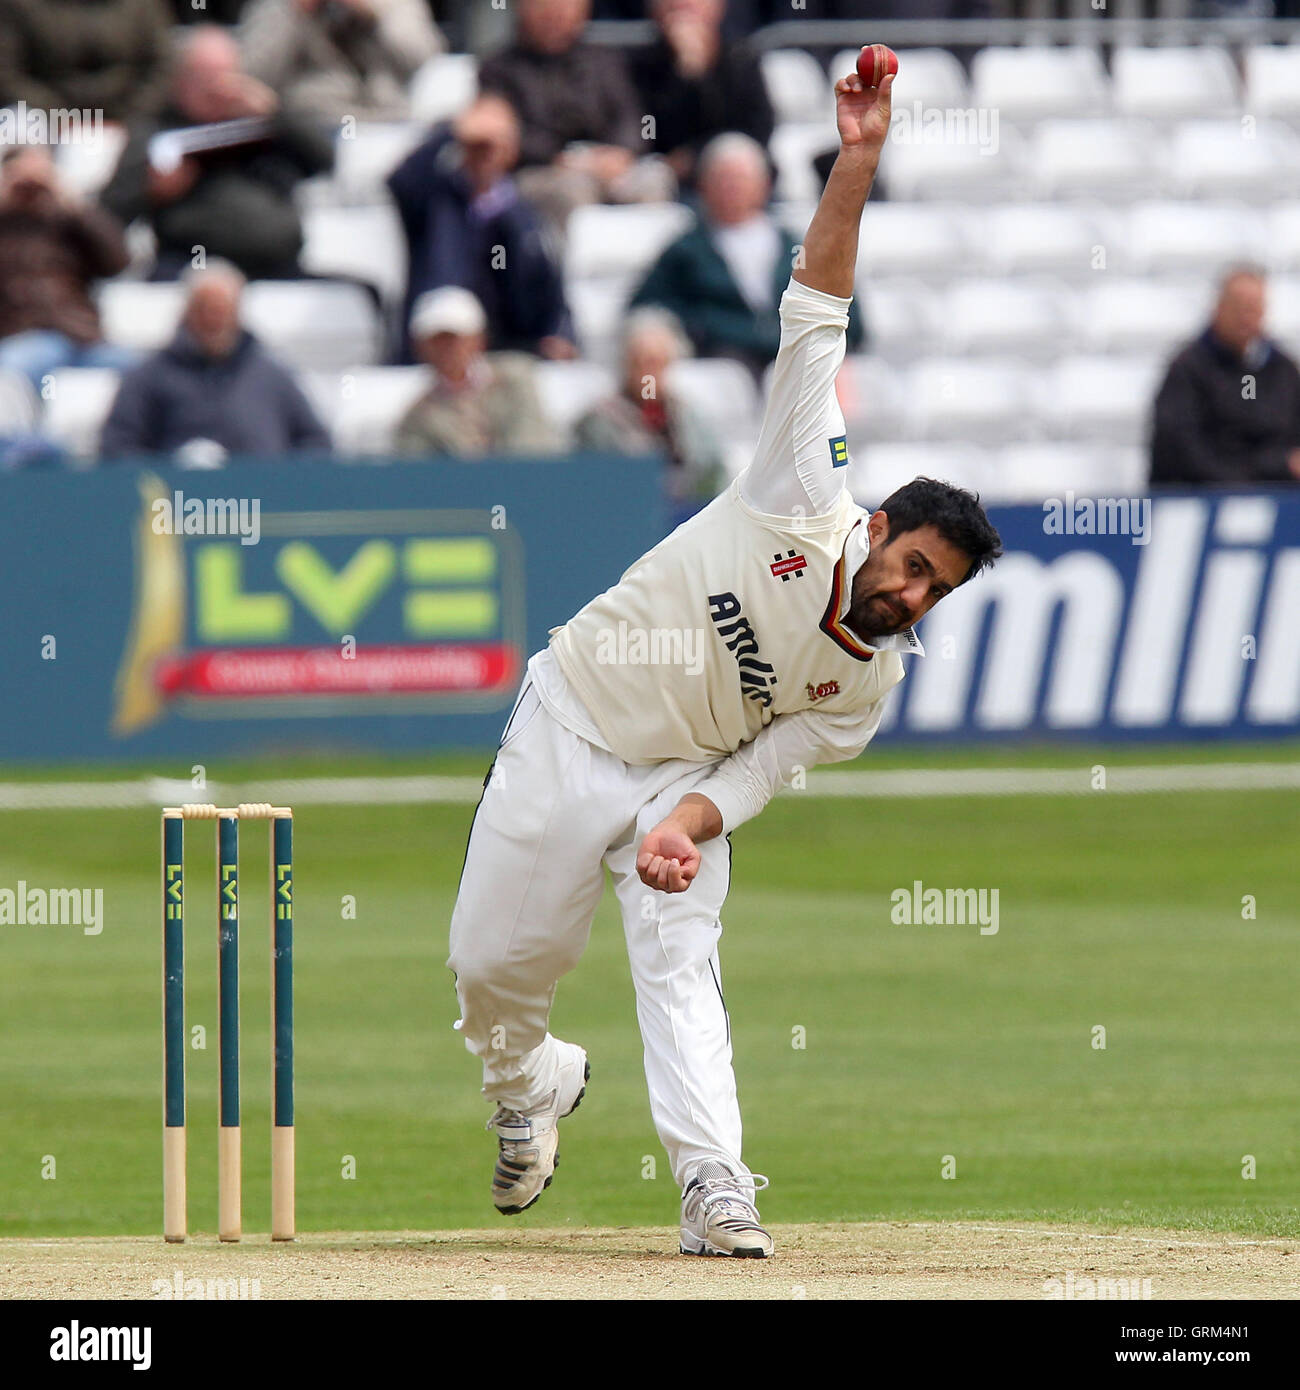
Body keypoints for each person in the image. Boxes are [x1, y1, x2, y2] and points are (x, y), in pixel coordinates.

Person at [446, 60, 1001, 1258]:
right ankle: (532, 1082)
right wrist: (856, 163)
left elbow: (758, 773)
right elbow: (816, 305)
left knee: (680, 963)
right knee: (490, 973)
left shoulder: (867, 684)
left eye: (932, 592)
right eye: (911, 563)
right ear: (883, 524)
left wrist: (684, 822)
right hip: (573, 714)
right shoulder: (805, 487)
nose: (909, 595)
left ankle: (718, 1190)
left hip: (674, 778)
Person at [101, 25, 334, 280]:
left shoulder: (266, 123)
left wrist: (276, 114)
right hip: (191, 271)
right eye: (206, 79)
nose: (220, 89)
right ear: (180, 82)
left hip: (275, 265)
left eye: (228, 77)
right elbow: (109, 216)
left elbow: (326, 162)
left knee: (357, 294)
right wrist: (151, 192)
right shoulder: (154, 133)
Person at [632, 132, 864, 377]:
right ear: (703, 185)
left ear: (763, 184)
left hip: (795, 359)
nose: (731, 188)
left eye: (740, 179)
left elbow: (844, 309)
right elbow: (650, 306)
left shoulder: (795, 246)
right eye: (722, 179)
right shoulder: (685, 251)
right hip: (723, 360)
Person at [387, 94, 575, 363]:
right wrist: (453, 130)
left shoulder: (527, 215)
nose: (483, 157)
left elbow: (550, 283)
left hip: (510, 348)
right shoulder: (434, 201)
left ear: (511, 151)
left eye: (492, 146)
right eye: (475, 147)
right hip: (440, 345)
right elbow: (400, 180)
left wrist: (561, 333)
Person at [478, 0, 674, 238]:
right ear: (522, 10)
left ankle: (652, 269)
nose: (556, 16)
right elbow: (506, 135)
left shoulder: (604, 61)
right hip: (540, 170)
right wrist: (564, 159)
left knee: (653, 180)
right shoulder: (497, 70)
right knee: (572, 190)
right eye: (546, 9)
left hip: (606, 163)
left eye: (566, 8)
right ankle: (568, 271)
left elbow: (631, 117)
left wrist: (621, 152)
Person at [100, 260, 330, 460]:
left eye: (223, 311)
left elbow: (317, 443)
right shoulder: (149, 377)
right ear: (188, 312)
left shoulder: (273, 376)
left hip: (264, 503)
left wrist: (280, 477)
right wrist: (167, 471)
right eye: (206, 311)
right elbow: (117, 447)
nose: (215, 322)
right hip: (179, 503)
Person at [1150, 267, 1300, 486]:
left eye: (1254, 308)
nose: (1246, 317)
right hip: (1202, 499)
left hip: (1276, 501)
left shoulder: (1283, 370)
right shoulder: (1188, 370)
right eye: (1239, 307)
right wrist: (1246, 481)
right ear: (1218, 308)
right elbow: (1179, 448)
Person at [0, 146, 135, 389]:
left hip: (83, 336)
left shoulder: (67, 221)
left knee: (148, 371)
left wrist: (71, 202)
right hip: (22, 336)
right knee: (11, 372)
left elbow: (120, 261)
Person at [574, 306, 725, 517]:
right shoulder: (598, 420)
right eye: (641, 362)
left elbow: (713, 472)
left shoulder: (689, 415)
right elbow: (595, 487)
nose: (650, 374)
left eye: (658, 362)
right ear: (625, 363)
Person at [394, 287, 562, 457]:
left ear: (478, 339)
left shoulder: (517, 378)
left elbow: (531, 446)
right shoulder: (416, 419)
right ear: (419, 347)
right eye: (435, 341)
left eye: (453, 339)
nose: (445, 349)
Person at [628, 0, 775, 190]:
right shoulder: (641, 66)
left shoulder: (741, 59)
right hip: (664, 171)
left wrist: (700, 76)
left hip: (727, 169)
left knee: (738, 165)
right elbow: (647, 130)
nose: (681, 7)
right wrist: (683, 74)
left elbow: (757, 130)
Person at [238, 0, 443, 124]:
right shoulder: (277, 6)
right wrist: (295, 12)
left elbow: (424, 60)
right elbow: (252, 78)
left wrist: (374, 16)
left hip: (389, 120)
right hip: (318, 125)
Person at [0, 0, 173, 122]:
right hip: (45, 118)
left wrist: (130, 117)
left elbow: (162, 64)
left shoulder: (142, 5)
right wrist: (60, 116)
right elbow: (8, 74)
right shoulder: (18, 5)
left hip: (129, 118)